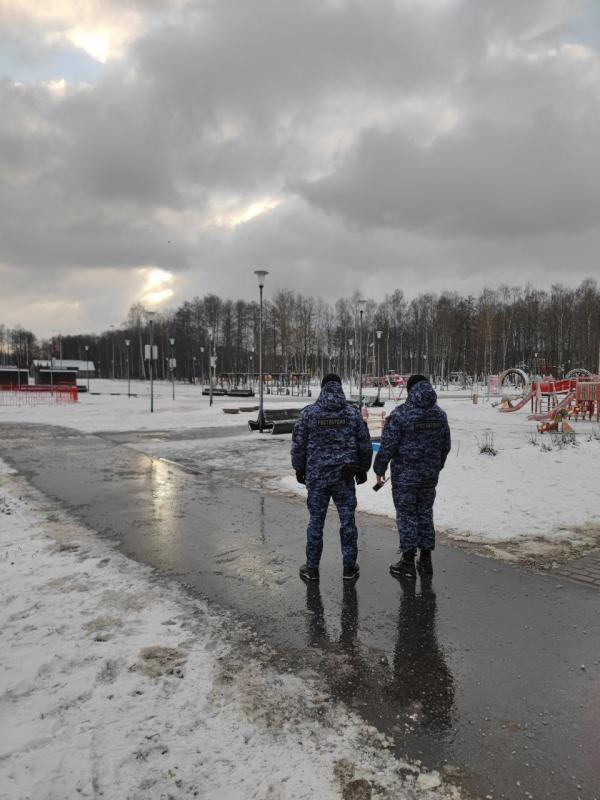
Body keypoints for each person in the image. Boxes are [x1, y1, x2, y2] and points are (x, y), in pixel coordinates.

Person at [291, 373, 372, 582]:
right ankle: (348, 567)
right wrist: (363, 468)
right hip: (344, 477)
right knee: (347, 521)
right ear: (339, 388)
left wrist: (299, 468)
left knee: (316, 522)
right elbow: (365, 443)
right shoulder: (352, 413)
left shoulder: (309, 413)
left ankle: (312, 568)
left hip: (317, 477)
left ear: (323, 388)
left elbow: (299, 445)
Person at [374, 374, 450, 578]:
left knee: (407, 516)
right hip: (428, 477)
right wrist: (435, 467)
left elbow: (388, 446)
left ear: (410, 391)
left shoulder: (401, 415)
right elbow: (445, 446)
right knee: (425, 513)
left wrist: (379, 469)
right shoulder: (440, 415)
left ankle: (407, 562)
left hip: (405, 478)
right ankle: (426, 560)